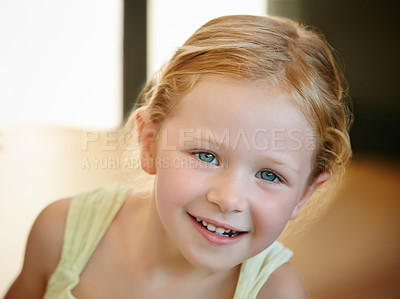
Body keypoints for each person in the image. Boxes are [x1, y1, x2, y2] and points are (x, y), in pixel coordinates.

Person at [5, 14, 352, 299]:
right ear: (149, 142)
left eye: (269, 175)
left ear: (304, 194)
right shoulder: (61, 235)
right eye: (206, 155)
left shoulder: (276, 294)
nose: (229, 199)